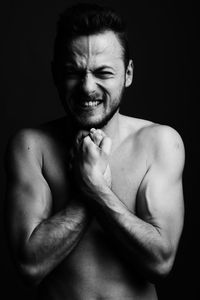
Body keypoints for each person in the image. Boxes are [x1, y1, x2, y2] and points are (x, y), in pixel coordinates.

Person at [5, 3, 185, 300]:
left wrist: (96, 188)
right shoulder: (31, 147)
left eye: (103, 72)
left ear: (127, 74)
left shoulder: (161, 143)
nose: (87, 87)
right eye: (73, 72)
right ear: (55, 75)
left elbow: (160, 262)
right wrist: (88, 193)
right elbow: (29, 266)